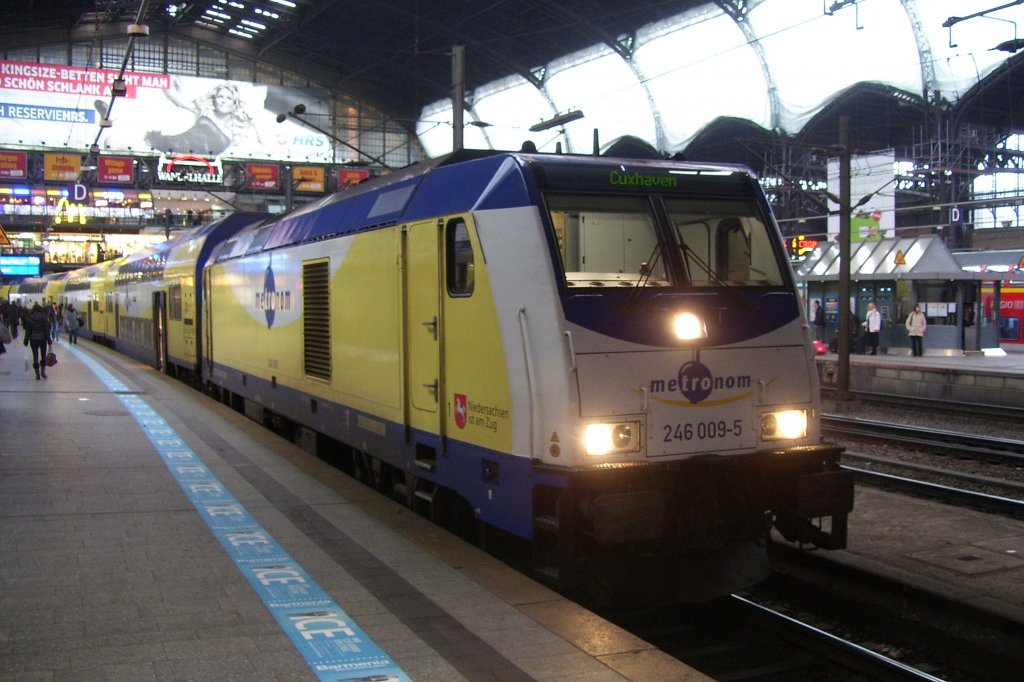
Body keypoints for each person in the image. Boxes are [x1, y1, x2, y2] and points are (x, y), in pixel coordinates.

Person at [144, 80, 263, 156]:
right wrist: (167, 72)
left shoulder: (236, 129)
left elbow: (265, 147)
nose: (223, 101)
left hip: (198, 166)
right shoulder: (205, 112)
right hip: (171, 147)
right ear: (215, 99)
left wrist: (255, 123)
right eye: (220, 97)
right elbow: (172, 94)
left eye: (228, 98)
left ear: (234, 103)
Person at [23, 303, 52, 380]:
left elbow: (27, 331)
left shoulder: (29, 318)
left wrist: (25, 340)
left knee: (35, 356)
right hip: (42, 339)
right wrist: (49, 342)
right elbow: (47, 331)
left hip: (33, 339)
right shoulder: (44, 317)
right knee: (43, 356)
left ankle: (37, 374)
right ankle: (43, 372)